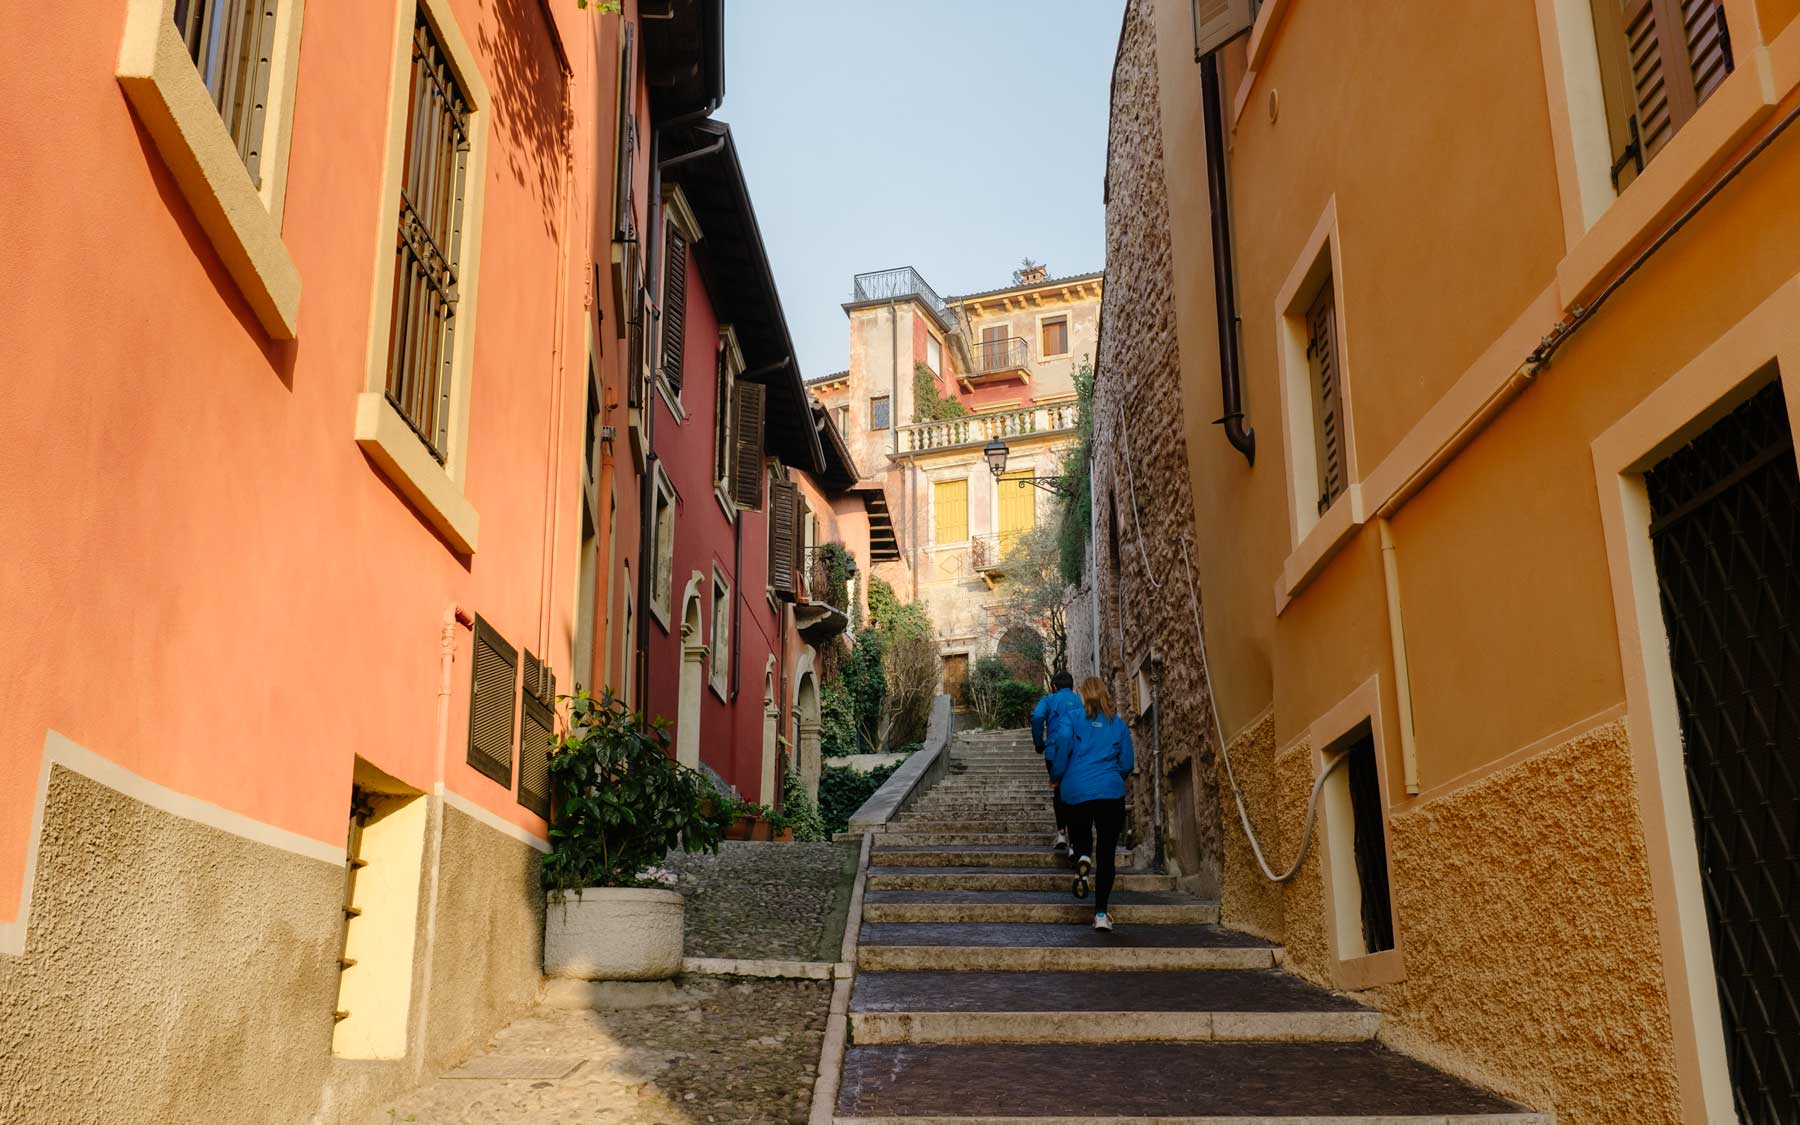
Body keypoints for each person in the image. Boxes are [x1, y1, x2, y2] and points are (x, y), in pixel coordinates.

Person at [1047, 676, 1135, 932]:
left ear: (1083, 696)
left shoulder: (1071, 719)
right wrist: (1112, 778)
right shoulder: (1117, 724)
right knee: (1107, 854)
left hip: (1076, 792)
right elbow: (1127, 763)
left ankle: (1083, 858)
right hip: (1109, 793)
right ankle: (1100, 914)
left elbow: (1062, 747)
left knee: (1082, 836)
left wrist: (1057, 777)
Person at [1029, 671, 1083, 855]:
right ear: (1072, 685)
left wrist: (1039, 743)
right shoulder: (1078, 701)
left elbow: (1036, 717)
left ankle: (1061, 833)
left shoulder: (1049, 700)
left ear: (1054, 686)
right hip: (1075, 754)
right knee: (1074, 794)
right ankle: (1075, 843)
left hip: (1053, 752)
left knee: (1059, 791)